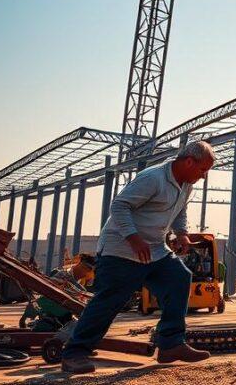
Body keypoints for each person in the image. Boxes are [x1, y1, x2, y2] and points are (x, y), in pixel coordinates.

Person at [60, 141, 215, 374]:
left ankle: (170, 344)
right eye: (203, 169)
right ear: (189, 161)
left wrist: (181, 234)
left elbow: (180, 211)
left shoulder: (186, 185)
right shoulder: (153, 178)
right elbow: (119, 206)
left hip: (154, 250)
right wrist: (133, 238)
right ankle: (75, 353)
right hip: (121, 250)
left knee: (179, 277)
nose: (204, 176)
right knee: (109, 301)